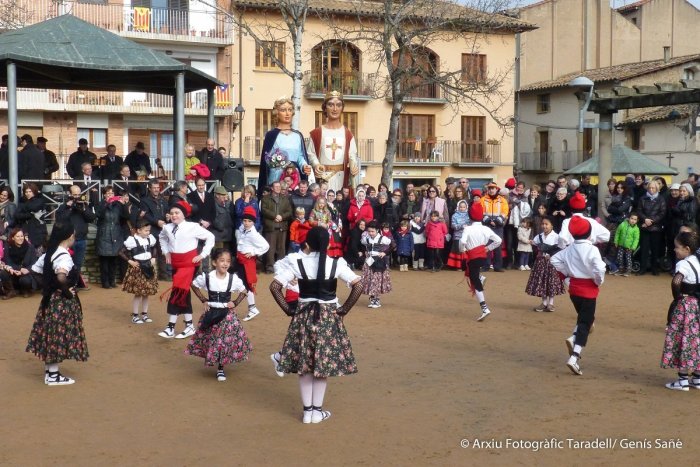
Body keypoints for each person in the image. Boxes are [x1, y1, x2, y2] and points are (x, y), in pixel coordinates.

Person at [269, 227, 363, 423]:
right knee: (322, 363)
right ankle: (317, 412)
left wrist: (289, 309)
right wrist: (343, 309)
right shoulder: (336, 264)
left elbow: (275, 286)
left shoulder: (297, 262)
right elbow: (358, 285)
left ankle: (307, 412)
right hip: (328, 317)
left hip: (303, 315)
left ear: (307, 244)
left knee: (305, 365)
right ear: (328, 244)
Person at [26, 223, 88, 385]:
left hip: (49, 299)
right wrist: (65, 291)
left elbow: (35, 271)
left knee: (50, 334)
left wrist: (49, 287)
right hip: (60, 302)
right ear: (69, 237)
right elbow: (61, 277)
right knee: (56, 336)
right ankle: (53, 376)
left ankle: (50, 372)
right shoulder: (64, 256)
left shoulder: (50, 253)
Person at [551, 216, 606, 376]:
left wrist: (567, 275)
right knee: (585, 323)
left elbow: (554, 260)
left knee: (585, 319)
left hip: (574, 289)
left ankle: (575, 336)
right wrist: (598, 280)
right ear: (589, 233)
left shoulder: (569, 249)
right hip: (588, 289)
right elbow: (599, 269)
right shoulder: (592, 249)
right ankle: (574, 356)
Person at [186, 249, 251, 382]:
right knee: (212, 339)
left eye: (228, 261)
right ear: (214, 263)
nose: (225, 264)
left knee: (223, 341)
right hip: (211, 313)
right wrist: (204, 300)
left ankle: (221, 368)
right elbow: (193, 285)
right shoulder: (207, 277)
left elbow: (244, 291)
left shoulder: (233, 278)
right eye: (222, 261)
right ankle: (214, 360)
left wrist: (235, 302)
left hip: (226, 315)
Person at [158, 201, 215, 339]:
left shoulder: (192, 226)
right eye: (172, 213)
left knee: (177, 292)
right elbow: (162, 238)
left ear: (184, 214)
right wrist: (166, 252)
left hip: (189, 264)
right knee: (183, 293)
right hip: (176, 264)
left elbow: (210, 237)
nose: (174, 215)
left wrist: (202, 255)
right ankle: (189, 325)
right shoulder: (167, 228)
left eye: (177, 213)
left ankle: (170, 327)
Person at [661, 231, 700, 391]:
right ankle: (697, 379)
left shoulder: (683, 264)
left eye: (677, 248)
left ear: (687, 249)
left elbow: (676, 281)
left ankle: (683, 379)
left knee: (681, 338)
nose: (675, 250)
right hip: (698, 304)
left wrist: (678, 298)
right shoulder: (698, 262)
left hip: (686, 305)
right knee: (696, 340)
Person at [257, 98, 312, 198]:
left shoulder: (297, 135)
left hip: (294, 178)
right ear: (277, 113)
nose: (287, 113)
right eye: (283, 110)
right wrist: (279, 163)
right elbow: (267, 159)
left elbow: (300, 156)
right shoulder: (271, 135)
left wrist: (304, 166)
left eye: (290, 110)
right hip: (277, 178)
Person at [458, 203, 502, 321]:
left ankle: (484, 308)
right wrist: (488, 248)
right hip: (483, 257)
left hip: (473, 257)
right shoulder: (486, 229)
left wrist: (463, 250)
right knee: (475, 277)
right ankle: (480, 278)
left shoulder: (468, 229)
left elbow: (462, 242)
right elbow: (499, 240)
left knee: (475, 282)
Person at [119, 219, 159, 324]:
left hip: (149, 267)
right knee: (138, 293)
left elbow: (154, 247)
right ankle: (135, 315)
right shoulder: (132, 240)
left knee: (147, 293)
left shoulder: (150, 239)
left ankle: (145, 314)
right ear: (138, 231)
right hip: (138, 268)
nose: (148, 232)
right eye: (146, 231)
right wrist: (130, 261)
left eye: (149, 230)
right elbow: (121, 252)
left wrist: (153, 257)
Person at [56, 185, 96, 288]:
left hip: (81, 239)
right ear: (69, 194)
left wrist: (83, 208)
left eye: (79, 194)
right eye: (75, 195)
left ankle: (74, 284)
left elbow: (91, 218)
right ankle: (66, 285)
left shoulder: (83, 206)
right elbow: (60, 218)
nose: (77, 197)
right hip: (68, 241)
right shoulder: (64, 206)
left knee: (77, 264)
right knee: (67, 264)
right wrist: (69, 207)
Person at [235, 206, 270, 321]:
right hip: (240, 260)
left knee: (247, 285)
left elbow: (266, 246)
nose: (246, 223)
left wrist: (254, 252)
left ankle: (252, 308)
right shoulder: (242, 228)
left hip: (247, 262)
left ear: (253, 222)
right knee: (240, 283)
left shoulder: (254, 234)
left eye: (249, 221)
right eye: (245, 220)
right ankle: (249, 307)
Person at [525, 216, 564, 312]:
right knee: (542, 282)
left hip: (552, 263)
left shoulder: (557, 237)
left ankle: (551, 303)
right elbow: (534, 243)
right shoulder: (539, 236)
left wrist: (552, 255)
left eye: (546, 224)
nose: (544, 226)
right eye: (543, 224)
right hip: (540, 262)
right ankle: (544, 303)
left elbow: (561, 249)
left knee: (551, 282)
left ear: (552, 226)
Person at [95, 186, 128, 289]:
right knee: (104, 260)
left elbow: (126, 217)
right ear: (104, 195)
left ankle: (112, 281)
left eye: (112, 193)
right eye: (108, 193)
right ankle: (105, 282)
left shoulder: (118, 205)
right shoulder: (101, 204)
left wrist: (123, 205)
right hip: (104, 234)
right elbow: (98, 215)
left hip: (115, 234)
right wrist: (107, 204)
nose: (110, 195)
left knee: (114, 259)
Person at [636, 179, 667, 276]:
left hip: (656, 228)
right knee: (644, 249)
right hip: (645, 226)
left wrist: (651, 221)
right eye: (649, 187)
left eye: (653, 188)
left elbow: (662, 213)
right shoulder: (642, 198)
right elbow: (639, 211)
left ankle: (655, 268)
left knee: (655, 249)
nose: (651, 189)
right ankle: (643, 268)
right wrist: (645, 219)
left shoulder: (661, 199)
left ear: (657, 188)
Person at [261, 181, 293, 273]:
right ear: (272, 188)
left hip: (282, 227)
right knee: (270, 249)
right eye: (276, 186)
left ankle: (281, 267)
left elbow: (289, 212)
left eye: (279, 186)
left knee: (281, 249)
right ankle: (270, 268)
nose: (278, 188)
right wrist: (275, 216)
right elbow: (264, 210)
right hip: (271, 227)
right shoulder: (266, 198)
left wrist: (282, 217)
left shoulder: (285, 199)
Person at [360, 221, 393, 308]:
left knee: (376, 280)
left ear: (377, 230)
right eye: (369, 231)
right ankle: (372, 299)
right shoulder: (365, 239)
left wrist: (384, 253)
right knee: (370, 280)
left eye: (372, 231)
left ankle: (376, 300)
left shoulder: (383, 239)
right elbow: (362, 245)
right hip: (368, 262)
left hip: (379, 262)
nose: (371, 233)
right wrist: (365, 252)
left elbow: (393, 245)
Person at [0, 228, 37, 298]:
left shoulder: (30, 247)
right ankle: (11, 291)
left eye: (22, 236)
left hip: (26, 272)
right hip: (13, 271)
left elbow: (34, 262)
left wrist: (26, 270)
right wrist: (18, 269)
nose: (20, 238)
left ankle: (25, 290)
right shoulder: (8, 247)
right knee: (3, 273)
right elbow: (7, 261)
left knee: (25, 280)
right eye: (17, 236)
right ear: (13, 238)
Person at [480, 182, 508, 272]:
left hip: (498, 225)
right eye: (490, 188)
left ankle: (498, 266)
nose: (491, 190)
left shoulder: (502, 200)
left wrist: (497, 221)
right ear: (488, 189)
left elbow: (505, 211)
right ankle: (486, 266)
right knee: (487, 245)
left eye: (493, 188)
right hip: (486, 224)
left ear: (497, 189)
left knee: (498, 245)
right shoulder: (483, 199)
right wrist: (488, 220)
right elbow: (481, 211)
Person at [13, 183, 47, 254]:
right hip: (26, 230)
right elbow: (17, 215)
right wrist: (30, 214)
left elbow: (34, 207)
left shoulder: (40, 200)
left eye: (30, 191)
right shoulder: (22, 201)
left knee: (38, 255)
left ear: (34, 191)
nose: (27, 194)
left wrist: (23, 208)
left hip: (38, 231)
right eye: (26, 192)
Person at [613, 213, 640, 277]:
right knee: (619, 257)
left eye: (635, 219)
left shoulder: (636, 229)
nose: (633, 220)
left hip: (629, 247)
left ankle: (628, 270)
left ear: (637, 221)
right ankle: (621, 269)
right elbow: (617, 233)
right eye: (632, 218)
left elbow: (636, 239)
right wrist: (616, 242)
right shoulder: (622, 224)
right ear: (629, 218)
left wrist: (633, 247)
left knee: (628, 258)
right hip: (621, 245)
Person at [211, 186, 235, 251]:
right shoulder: (212, 204)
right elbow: (212, 218)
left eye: (225, 195)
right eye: (222, 195)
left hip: (228, 236)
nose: (225, 197)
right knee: (218, 255)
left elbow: (232, 215)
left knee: (226, 254)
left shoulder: (228, 203)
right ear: (217, 195)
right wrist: (220, 227)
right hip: (218, 236)